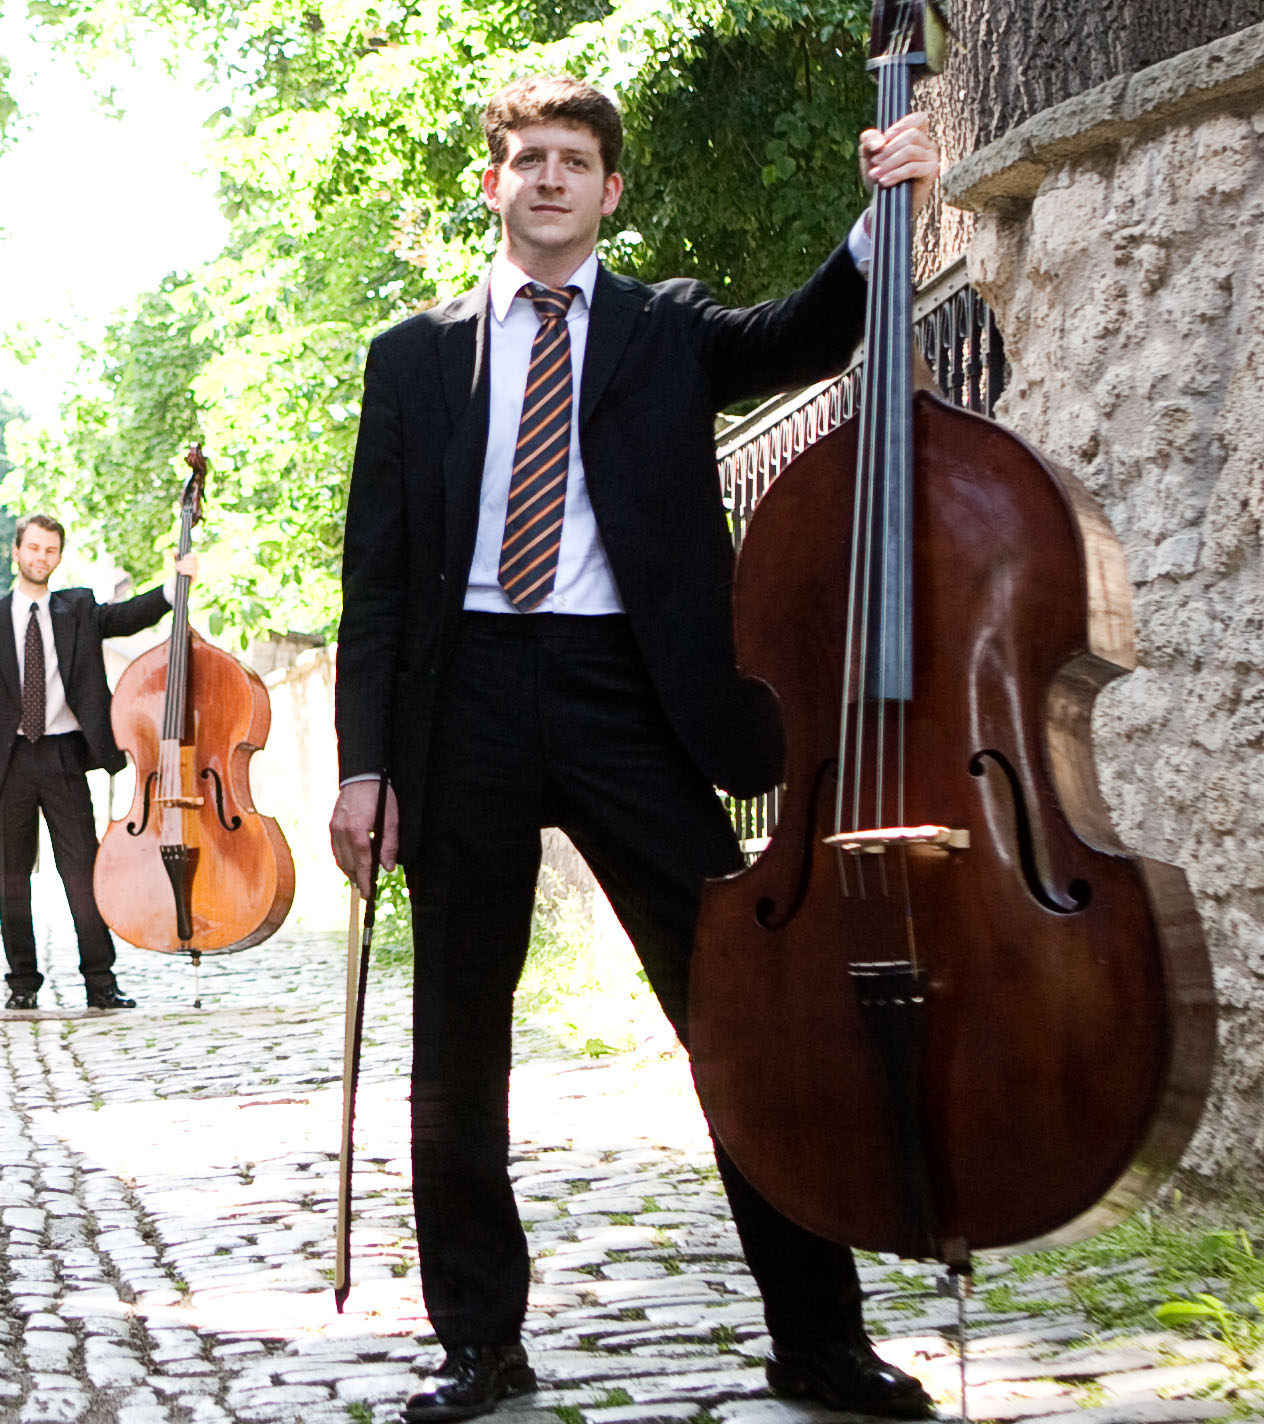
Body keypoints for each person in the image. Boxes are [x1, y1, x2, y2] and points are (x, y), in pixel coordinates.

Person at [327, 76, 947, 1422]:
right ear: (492, 185)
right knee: (457, 1042)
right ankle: (478, 1341)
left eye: (573, 161)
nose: (548, 179)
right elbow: (373, 581)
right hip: (463, 701)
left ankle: (817, 1338)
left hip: (634, 698)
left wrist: (878, 211)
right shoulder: (412, 357)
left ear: (609, 190)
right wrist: (363, 765)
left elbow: (805, 332)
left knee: (737, 1013)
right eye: (527, 159)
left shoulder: (665, 329)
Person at [0, 517, 192, 1010]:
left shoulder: (78, 608)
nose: (40, 557)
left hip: (63, 756)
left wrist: (174, 586)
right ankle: (22, 983)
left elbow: (126, 617)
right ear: (16, 551)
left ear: (58, 557)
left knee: (83, 874)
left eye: (50, 550)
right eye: (33, 548)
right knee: (11, 879)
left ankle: (101, 982)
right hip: (7, 763)